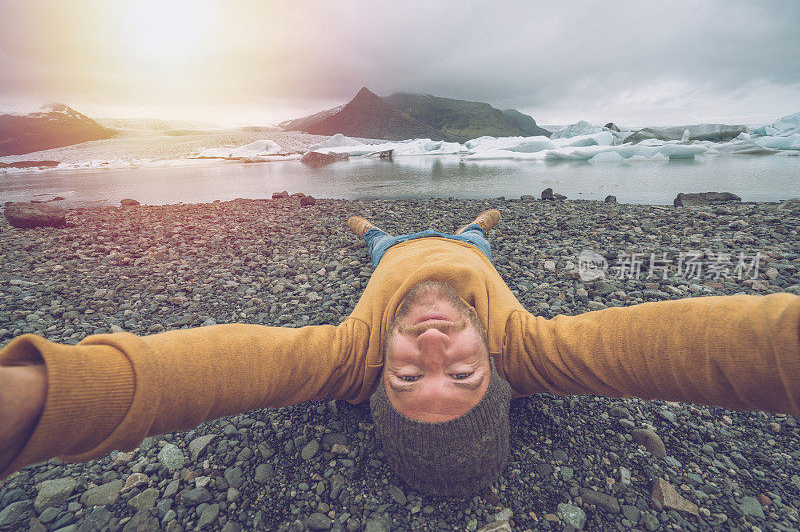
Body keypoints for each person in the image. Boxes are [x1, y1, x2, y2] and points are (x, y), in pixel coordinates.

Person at [1, 209, 799, 497]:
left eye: (408, 377)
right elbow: (707, 349)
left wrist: (35, 399)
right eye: (463, 373)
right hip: (460, 245)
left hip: (394, 252)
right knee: (476, 235)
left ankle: (367, 228)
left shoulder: (348, 354)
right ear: (498, 372)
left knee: (377, 239)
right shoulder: (532, 348)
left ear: (376, 383)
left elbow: (199, 374)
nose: (430, 344)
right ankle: (485, 224)